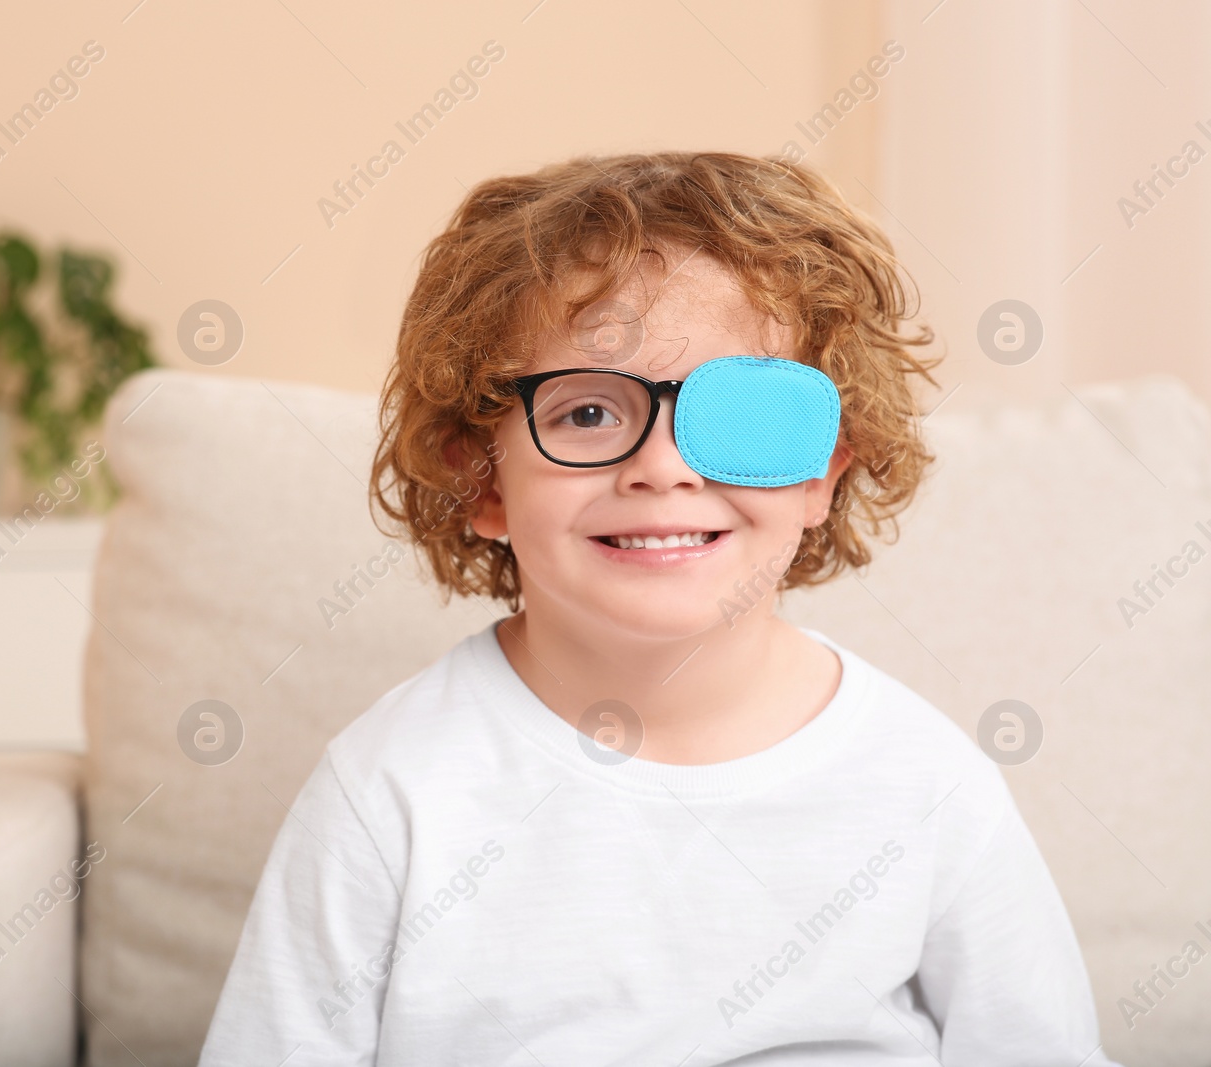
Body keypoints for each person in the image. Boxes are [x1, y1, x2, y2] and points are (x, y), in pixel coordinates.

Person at [199, 151, 1120, 1066]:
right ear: (477, 477)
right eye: (589, 414)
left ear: (821, 474)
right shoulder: (391, 789)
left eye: (742, 416)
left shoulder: (926, 781)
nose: (665, 467)